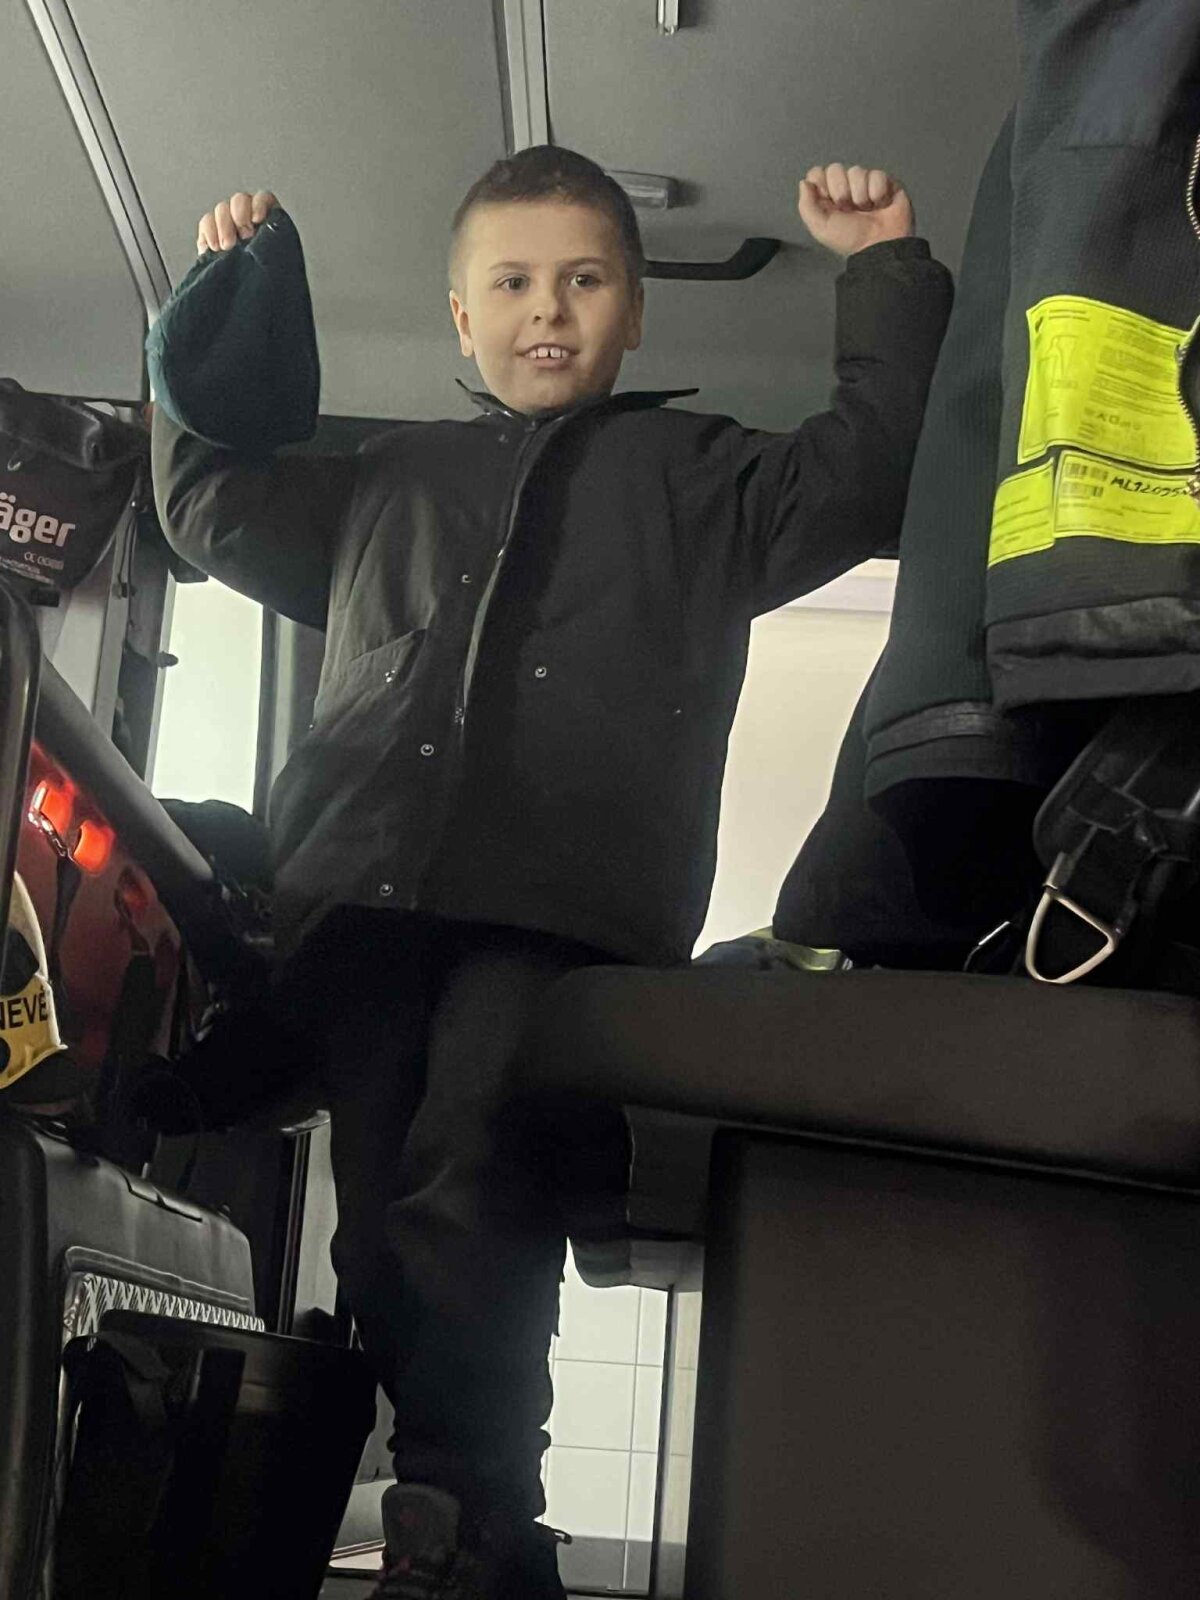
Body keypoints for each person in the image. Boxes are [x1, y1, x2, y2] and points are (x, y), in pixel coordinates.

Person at [153, 145, 952, 1599]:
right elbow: (209, 507)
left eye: (584, 282)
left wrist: (883, 267)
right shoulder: (386, 476)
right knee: (381, 1220)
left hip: (559, 911)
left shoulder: (702, 474)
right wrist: (223, 306)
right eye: (513, 284)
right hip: (367, 903)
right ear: (461, 317)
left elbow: (873, 466)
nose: (548, 311)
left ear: (634, 313)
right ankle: (448, 1503)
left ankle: (473, 1510)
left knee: (470, 1163)